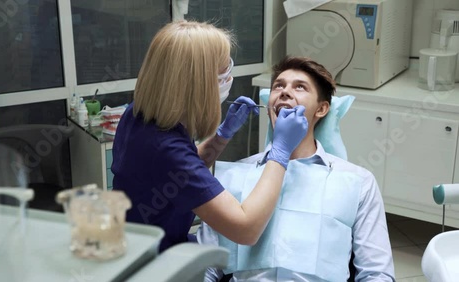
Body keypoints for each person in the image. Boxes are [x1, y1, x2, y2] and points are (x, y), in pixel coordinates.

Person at [111, 21, 309, 253]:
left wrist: (222, 135)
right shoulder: (165, 147)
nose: (285, 93)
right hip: (147, 263)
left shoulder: (140, 113)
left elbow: (179, 176)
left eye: (300, 88)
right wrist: (281, 150)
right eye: (224, 72)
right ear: (199, 83)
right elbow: (245, 230)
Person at [198, 56, 395, 281]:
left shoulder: (357, 182)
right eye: (278, 86)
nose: (285, 92)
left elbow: (377, 273)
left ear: (321, 109)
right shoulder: (234, 175)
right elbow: (206, 265)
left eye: (300, 87)